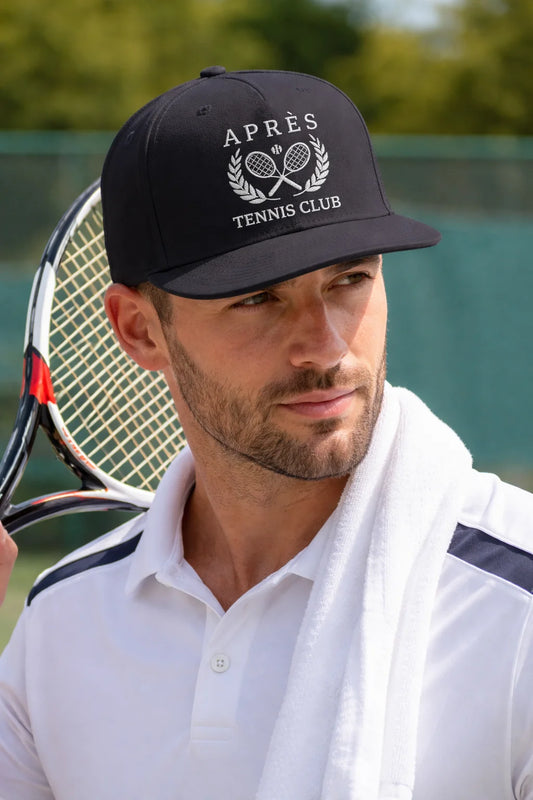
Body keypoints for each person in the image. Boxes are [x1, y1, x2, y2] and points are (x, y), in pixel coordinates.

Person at [0, 67, 532, 800]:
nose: (326, 348)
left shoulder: (518, 601)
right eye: (257, 299)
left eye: (349, 280)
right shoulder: (60, 618)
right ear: (140, 330)